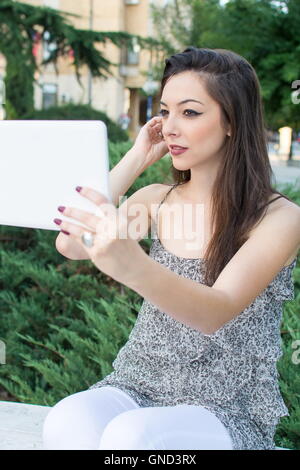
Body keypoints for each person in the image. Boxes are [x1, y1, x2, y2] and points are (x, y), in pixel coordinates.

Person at [43, 47, 300, 450]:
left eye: (190, 112)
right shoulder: (157, 198)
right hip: (139, 383)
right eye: (165, 111)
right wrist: (137, 156)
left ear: (232, 121)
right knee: (66, 420)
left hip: (225, 408)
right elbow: (71, 241)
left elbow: (215, 310)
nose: (170, 127)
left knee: (134, 437)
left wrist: (134, 267)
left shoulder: (278, 218)